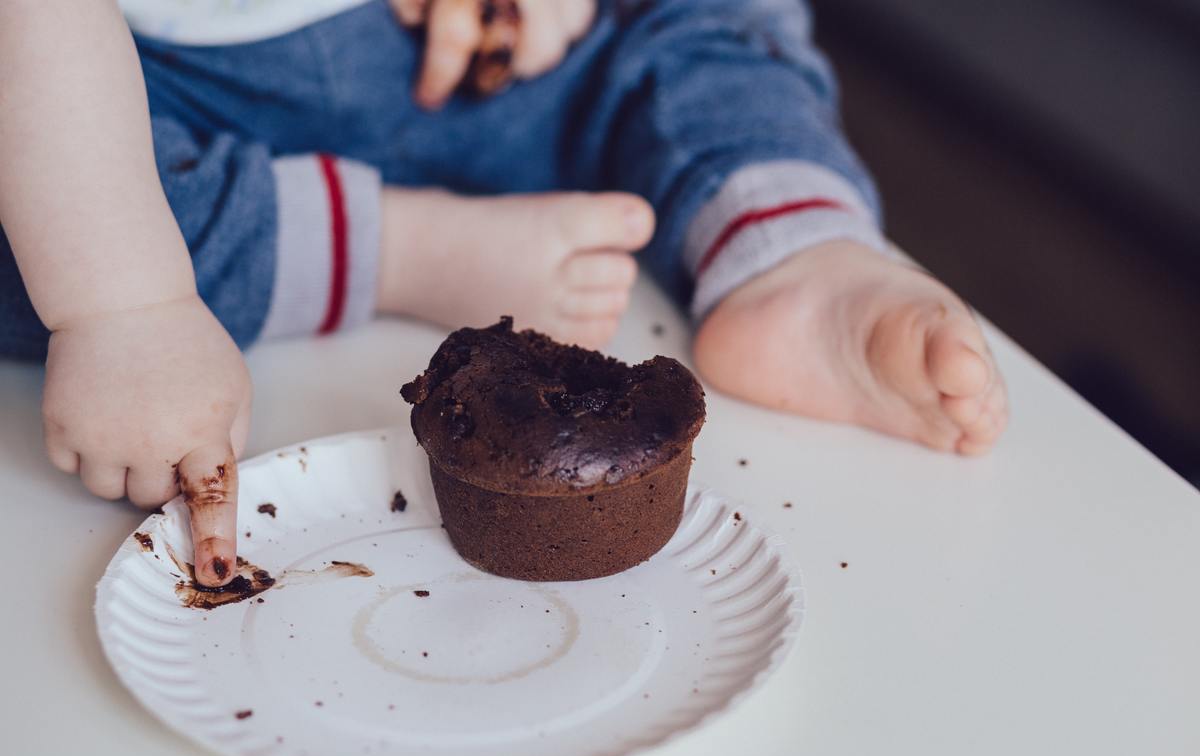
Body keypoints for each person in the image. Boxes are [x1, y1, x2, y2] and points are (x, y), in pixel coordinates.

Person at [0, 0, 1007, 587]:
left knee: (706, 20)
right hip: (142, 109)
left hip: (504, 60)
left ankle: (786, 244)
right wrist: (122, 304)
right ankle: (402, 245)